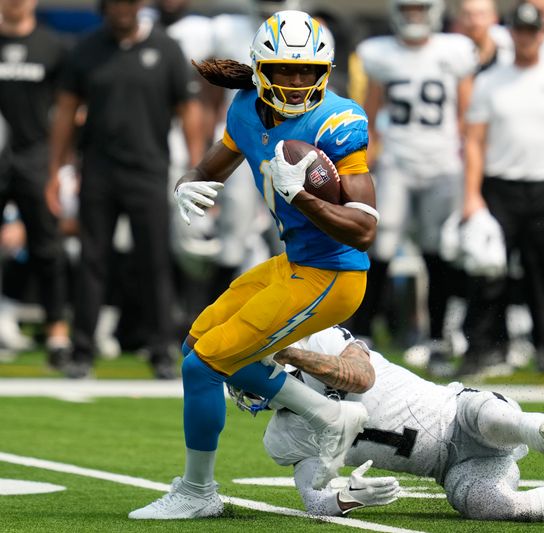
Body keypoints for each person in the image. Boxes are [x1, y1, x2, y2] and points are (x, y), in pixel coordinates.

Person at [127, 9, 381, 520]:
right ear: (262, 69)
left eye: (307, 70)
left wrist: (306, 200)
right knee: (196, 344)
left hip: (334, 276)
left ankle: (198, 492)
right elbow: (212, 163)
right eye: (286, 68)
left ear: (324, 71)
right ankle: (328, 415)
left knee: (205, 366)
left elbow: (364, 229)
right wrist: (187, 182)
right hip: (294, 263)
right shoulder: (245, 108)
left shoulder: (339, 120)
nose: (296, 80)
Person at [244, 325, 544, 523]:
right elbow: (314, 501)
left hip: (459, 412)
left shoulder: (320, 339)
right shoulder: (286, 437)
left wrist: (292, 354)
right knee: (492, 508)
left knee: (493, 418)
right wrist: (350, 498)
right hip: (452, 470)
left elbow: (360, 376)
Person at [44, 0, 205, 379]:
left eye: (128, 2)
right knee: (92, 259)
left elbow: (189, 109)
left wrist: (199, 169)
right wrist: (55, 169)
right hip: (97, 170)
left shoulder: (166, 48)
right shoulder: (86, 49)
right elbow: (66, 109)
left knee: (154, 261)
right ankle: (82, 350)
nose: (121, 9)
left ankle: (161, 349)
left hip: (149, 170)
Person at [460, 4, 544, 381]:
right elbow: (475, 142)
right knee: (487, 276)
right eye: (520, 30)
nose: (526, 37)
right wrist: (472, 196)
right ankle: (477, 354)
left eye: (532, 31)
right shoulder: (489, 81)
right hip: (500, 188)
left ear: (542, 33)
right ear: (511, 32)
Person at [348, 0, 476, 368]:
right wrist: (360, 166)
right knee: (380, 244)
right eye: (408, 9)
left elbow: (468, 116)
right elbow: (367, 117)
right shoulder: (381, 54)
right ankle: (363, 334)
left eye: (421, 8)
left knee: (438, 252)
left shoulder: (454, 51)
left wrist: (470, 171)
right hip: (397, 163)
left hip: (443, 164)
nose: (414, 15)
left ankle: (437, 338)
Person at [0, 0, 71, 365]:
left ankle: (56, 332)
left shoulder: (52, 46)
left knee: (47, 247)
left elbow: (69, 108)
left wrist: (61, 165)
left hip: (35, 156)